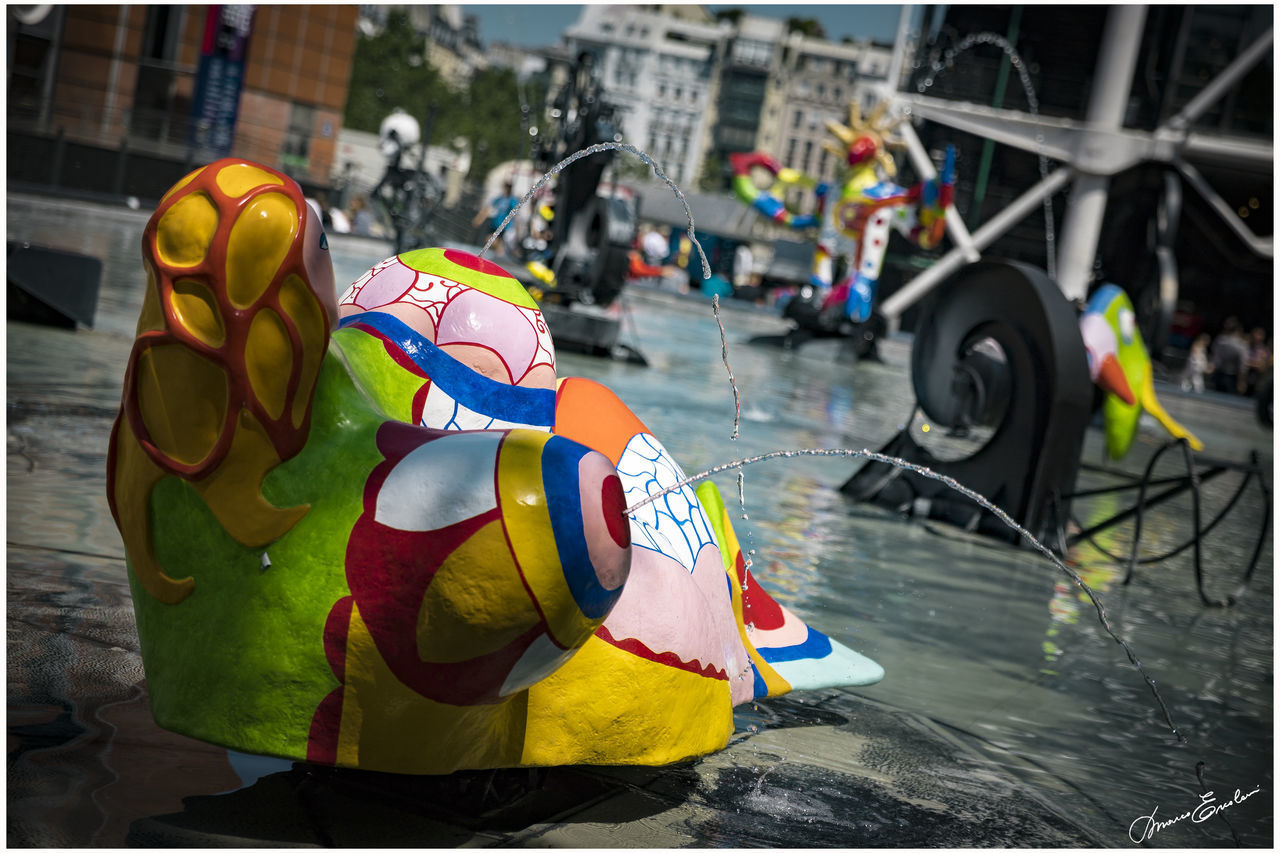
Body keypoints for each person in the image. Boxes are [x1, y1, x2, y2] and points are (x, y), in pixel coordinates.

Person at [472, 182, 520, 256]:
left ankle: (497, 256)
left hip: (504, 227)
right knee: (489, 241)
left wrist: (516, 230)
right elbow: (487, 208)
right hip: (494, 224)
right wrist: (479, 219)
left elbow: (515, 215)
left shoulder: (512, 200)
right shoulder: (499, 198)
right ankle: (492, 255)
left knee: (496, 244)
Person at [1209, 317, 1247, 394]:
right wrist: (1241, 381)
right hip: (1221, 374)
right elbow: (1242, 366)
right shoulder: (1221, 340)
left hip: (1229, 377)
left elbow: (1242, 365)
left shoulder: (1222, 340)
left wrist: (1241, 381)